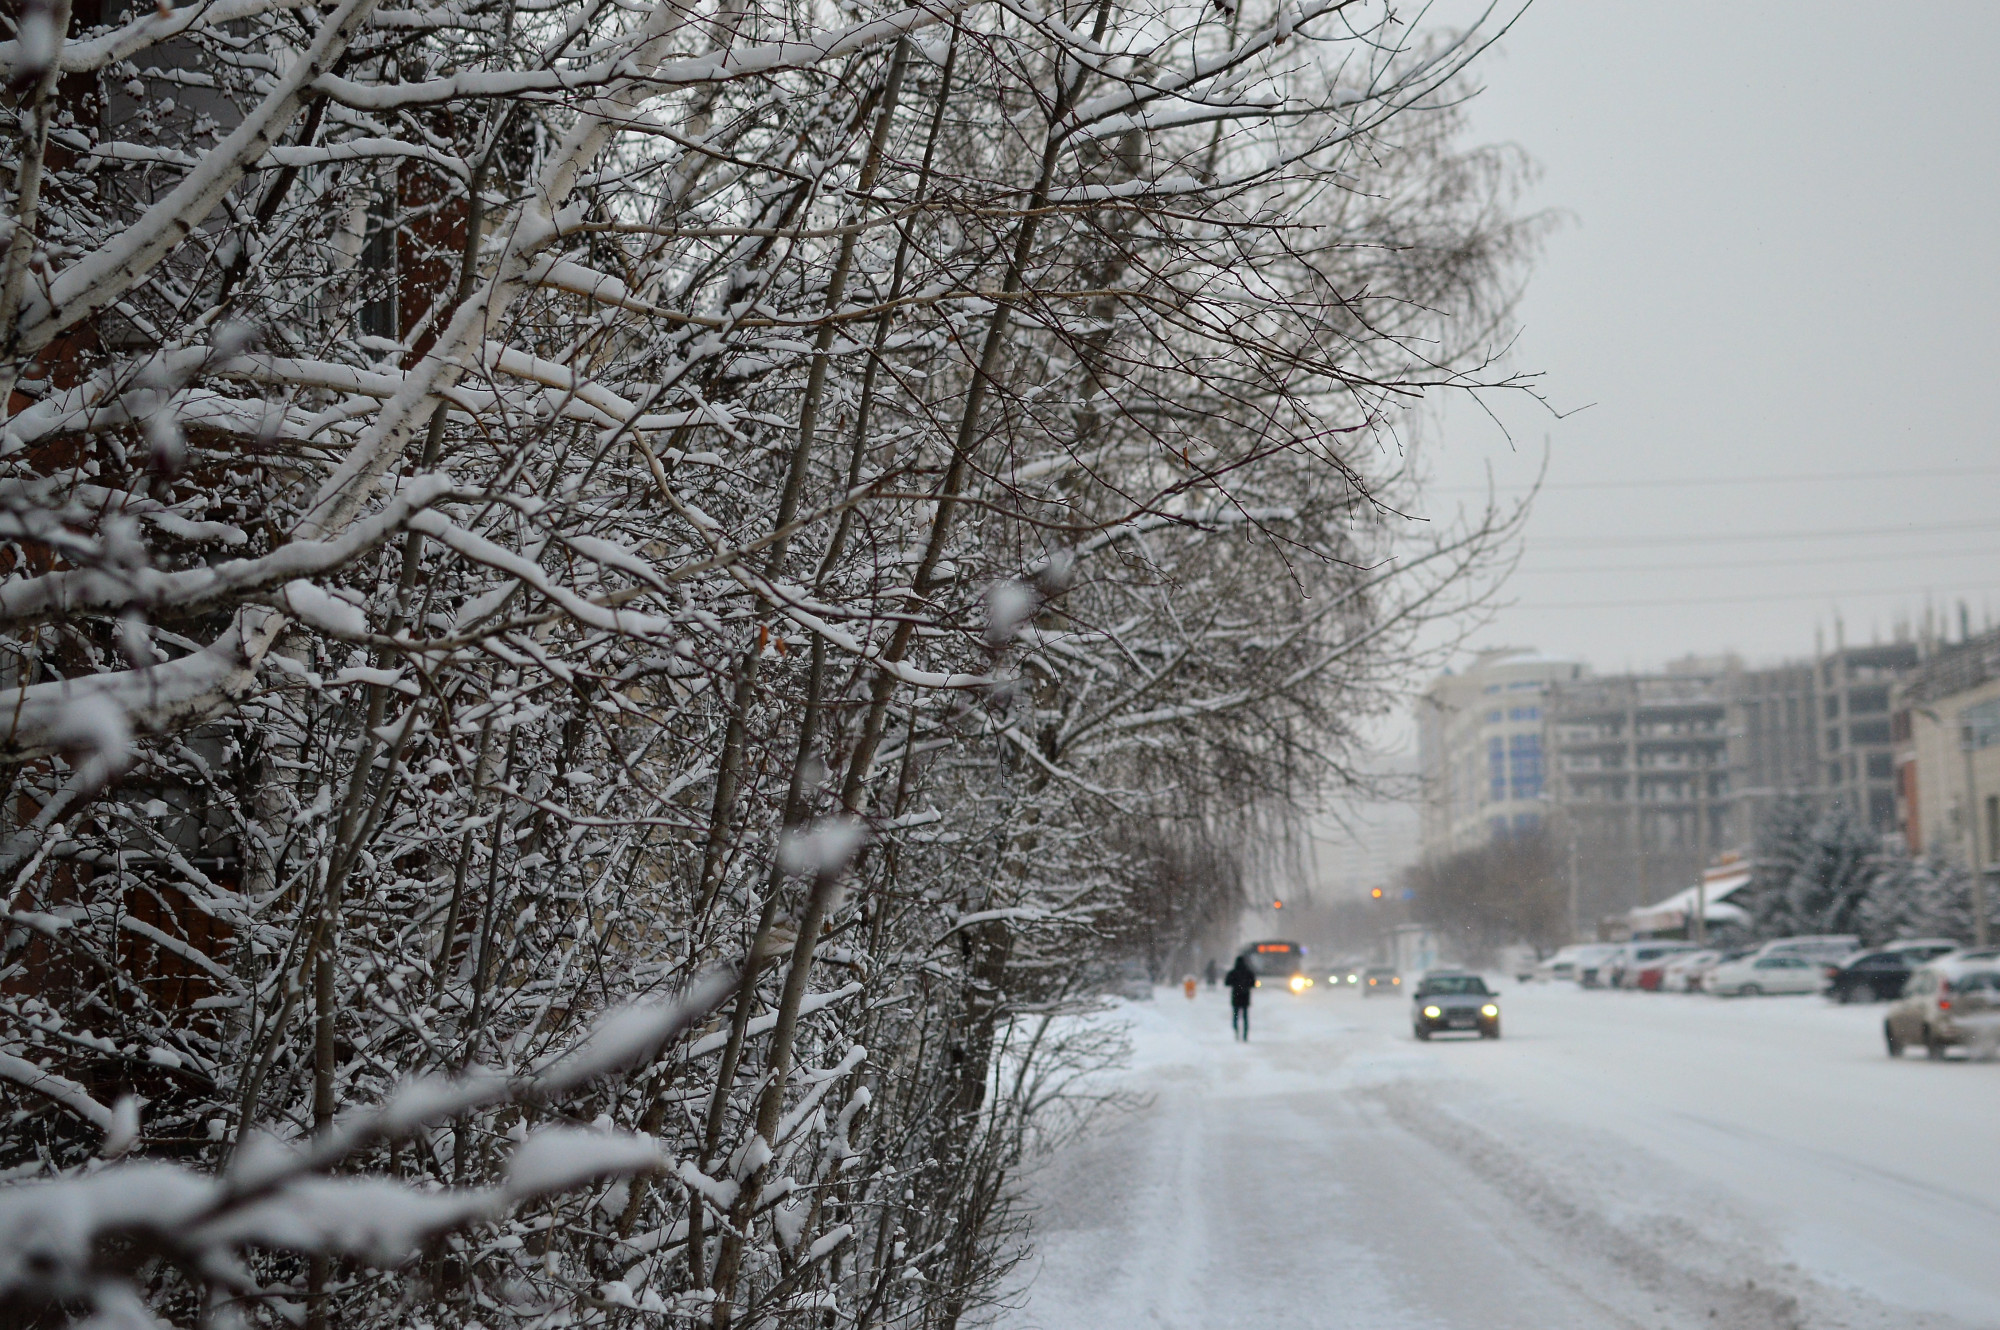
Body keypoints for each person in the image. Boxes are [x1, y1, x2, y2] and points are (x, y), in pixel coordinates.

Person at [1224, 954, 1257, 1040]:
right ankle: (1245, 1034)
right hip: (1245, 997)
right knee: (1245, 1017)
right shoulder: (1249, 972)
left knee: (1235, 1015)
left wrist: (1235, 984)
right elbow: (1253, 983)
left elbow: (1227, 983)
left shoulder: (1233, 972)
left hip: (1236, 997)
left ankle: (1236, 1031)